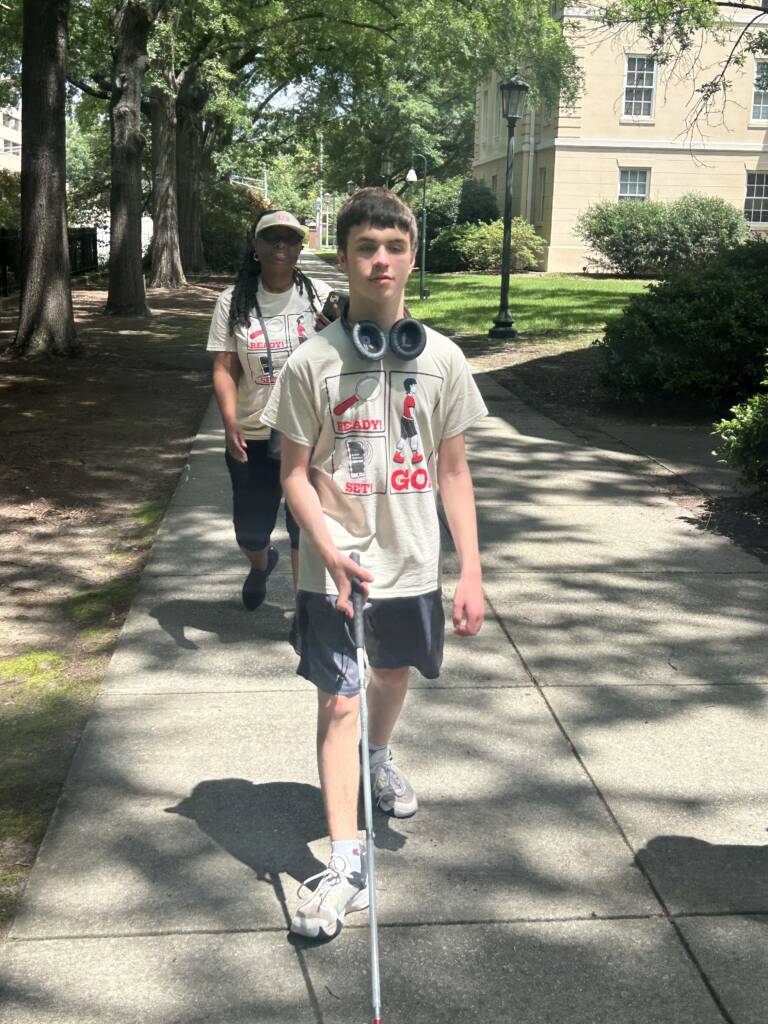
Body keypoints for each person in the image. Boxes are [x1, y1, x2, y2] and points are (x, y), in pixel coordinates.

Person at [261, 188, 487, 940]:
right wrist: (321, 544)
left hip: (414, 561)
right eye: (366, 247)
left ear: (411, 257)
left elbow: (454, 473)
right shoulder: (311, 363)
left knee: (390, 678)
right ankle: (346, 862)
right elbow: (291, 471)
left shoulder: (444, 360)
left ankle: (380, 758)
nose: (380, 260)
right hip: (337, 565)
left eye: (394, 247)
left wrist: (473, 572)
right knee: (339, 700)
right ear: (348, 257)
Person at [206, 210, 333, 609]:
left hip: (310, 435)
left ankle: (303, 616)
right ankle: (260, 564)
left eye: (290, 239)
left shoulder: (320, 296)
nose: (281, 246)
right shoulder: (233, 302)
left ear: (300, 247)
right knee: (250, 533)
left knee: (305, 531)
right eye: (271, 239)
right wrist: (229, 423)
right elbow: (225, 367)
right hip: (254, 434)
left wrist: (338, 328)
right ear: (256, 248)